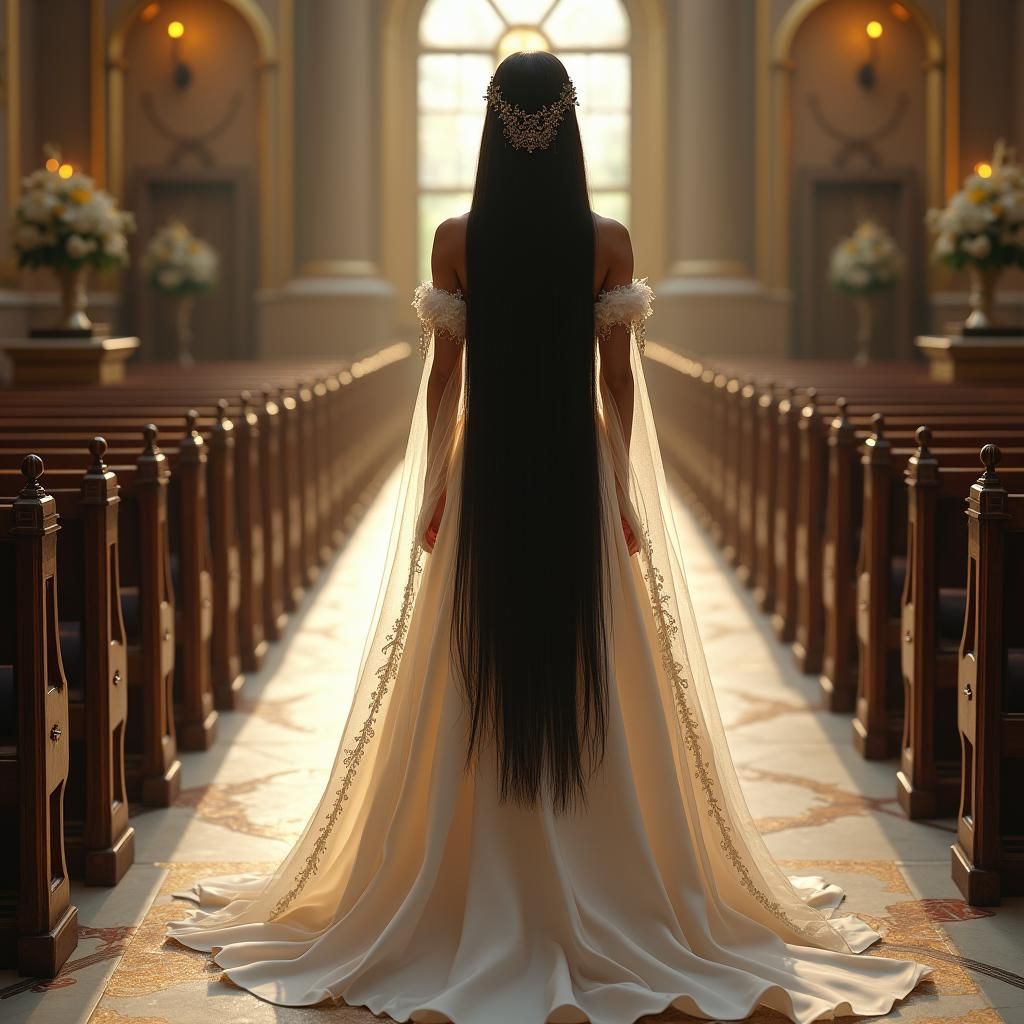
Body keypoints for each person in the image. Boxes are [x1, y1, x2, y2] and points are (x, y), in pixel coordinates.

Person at [167, 51, 930, 1024]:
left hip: (488, 477)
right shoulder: (603, 238)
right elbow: (616, 384)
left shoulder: (457, 237)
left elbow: (443, 381)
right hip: (574, 471)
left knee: (462, 671)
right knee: (599, 672)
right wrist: (621, 489)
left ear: (493, 128)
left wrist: (435, 486)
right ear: (568, 128)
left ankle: (462, 873)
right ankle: (607, 866)